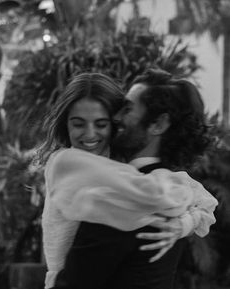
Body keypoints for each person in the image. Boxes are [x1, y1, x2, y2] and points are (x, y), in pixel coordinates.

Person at [39, 71, 217, 289]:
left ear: (159, 124)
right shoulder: (170, 186)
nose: (117, 117)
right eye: (78, 123)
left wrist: (185, 224)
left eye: (128, 109)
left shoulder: (121, 195)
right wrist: (186, 222)